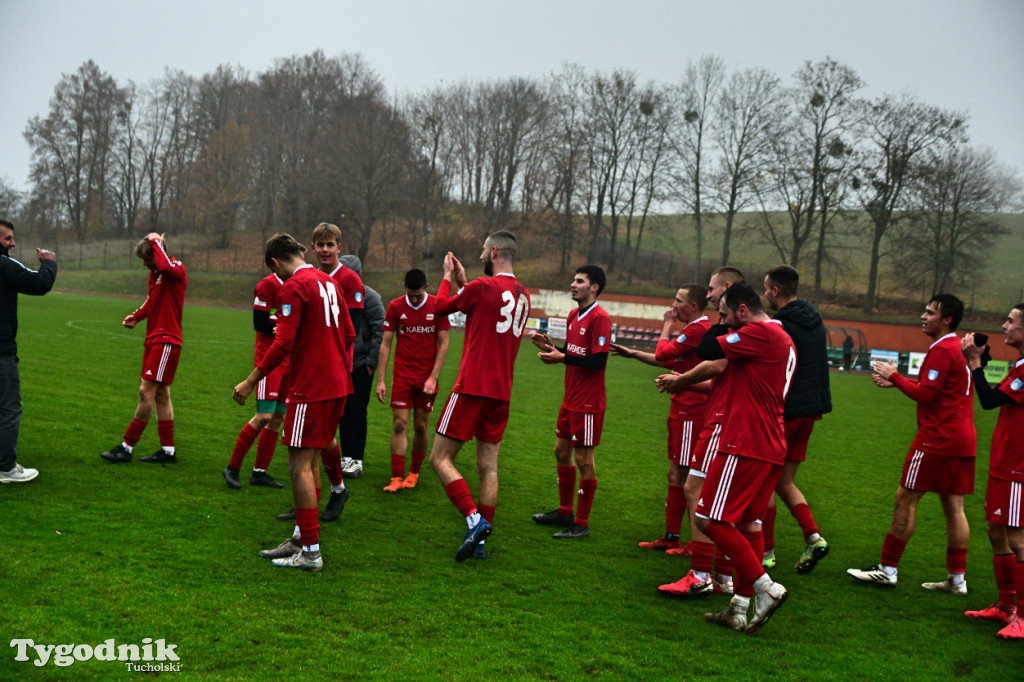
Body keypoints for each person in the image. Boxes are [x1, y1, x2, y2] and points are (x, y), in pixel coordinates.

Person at [658, 282, 794, 632]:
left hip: (746, 442)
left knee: (707, 517)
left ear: (743, 312)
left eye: (726, 314)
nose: (723, 321)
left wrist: (721, 324)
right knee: (750, 524)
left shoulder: (761, 334)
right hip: (771, 443)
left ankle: (767, 589)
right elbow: (722, 374)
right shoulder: (781, 339)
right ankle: (738, 606)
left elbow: (706, 348)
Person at [233, 233, 355, 572]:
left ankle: (311, 552)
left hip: (311, 387)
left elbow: (283, 343)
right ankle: (302, 537)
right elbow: (348, 335)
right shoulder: (329, 283)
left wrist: (250, 380)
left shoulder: (293, 287)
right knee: (312, 460)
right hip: (336, 384)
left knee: (298, 465)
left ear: (275, 262)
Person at [849, 294, 976, 593]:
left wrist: (893, 374)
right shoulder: (956, 348)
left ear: (947, 320)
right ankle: (957, 580)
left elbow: (927, 395)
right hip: (963, 439)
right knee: (954, 508)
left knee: (905, 498)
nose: (923, 315)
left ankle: (887, 569)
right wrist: (898, 381)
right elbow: (936, 390)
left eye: (930, 312)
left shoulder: (943, 349)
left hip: (937, 439)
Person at [430, 231, 531, 562]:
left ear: (495, 251)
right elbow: (485, 310)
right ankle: (481, 542)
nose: (479, 256)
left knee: (440, 459)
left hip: (472, 386)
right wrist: (464, 283)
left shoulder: (482, 288)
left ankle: (474, 521)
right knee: (489, 467)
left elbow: (440, 309)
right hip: (501, 392)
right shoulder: (524, 295)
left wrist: (447, 280)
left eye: (483, 251)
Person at [653, 266, 743, 598]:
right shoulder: (767, 332)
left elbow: (714, 364)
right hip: (735, 422)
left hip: (720, 421)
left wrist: (682, 379)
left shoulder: (738, 333)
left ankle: (711, 574)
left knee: (699, 489)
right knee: (736, 505)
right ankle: (723, 577)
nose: (708, 295)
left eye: (712, 290)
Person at [611, 284, 710, 552]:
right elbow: (669, 362)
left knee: (689, 477)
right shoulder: (694, 330)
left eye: (679, 301)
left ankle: (694, 543)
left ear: (693, 306)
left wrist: (666, 325)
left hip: (692, 410)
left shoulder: (698, 329)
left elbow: (664, 353)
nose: (673, 306)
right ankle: (671, 536)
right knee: (675, 472)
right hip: (681, 409)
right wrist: (632, 353)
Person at [530, 265, 611, 539]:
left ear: (594, 287)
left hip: (588, 403)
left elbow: (598, 361)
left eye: (580, 281)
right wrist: (554, 349)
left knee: (584, 460)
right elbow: (575, 352)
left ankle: (582, 522)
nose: (573, 284)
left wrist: (563, 358)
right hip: (570, 400)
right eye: (573, 280)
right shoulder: (573, 314)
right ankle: (565, 510)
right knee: (560, 451)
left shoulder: (600, 318)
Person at [761, 265, 832, 573]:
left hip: (785, 411)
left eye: (765, 288)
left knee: (764, 481)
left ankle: (765, 552)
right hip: (810, 411)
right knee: (784, 480)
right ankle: (813, 536)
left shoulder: (779, 325)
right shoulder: (815, 321)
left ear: (775, 291)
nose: (764, 294)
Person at [962, 304, 1024, 640]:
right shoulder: (1020, 365)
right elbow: (997, 396)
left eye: (1011, 322)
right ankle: (1005, 605)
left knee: (1018, 539)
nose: (1004, 325)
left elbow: (988, 400)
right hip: (1005, 463)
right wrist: (979, 363)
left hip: (1018, 467)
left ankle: (1023, 618)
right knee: (995, 531)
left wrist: (974, 364)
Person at [101, 233, 187, 464]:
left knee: (145, 392)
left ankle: (126, 447)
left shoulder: (175, 268)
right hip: (154, 339)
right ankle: (168, 451)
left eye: (147, 259)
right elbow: (152, 299)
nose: (145, 264)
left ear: (158, 253)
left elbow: (167, 267)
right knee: (161, 394)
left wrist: (157, 243)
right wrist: (137, 316)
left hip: (166, 340)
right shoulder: (156, 275)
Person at [376, 268, 450, 492]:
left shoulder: (438, 306)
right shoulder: (396, 306)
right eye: (410, 294)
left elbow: (444, 344)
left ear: (427, 287)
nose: (414, 299)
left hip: (426, 378)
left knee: (420, 426)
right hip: (402, 376)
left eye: (418, 294)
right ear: (404, 288)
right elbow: (386, 343)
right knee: (399, 425)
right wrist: (381, 380)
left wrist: (433, 378)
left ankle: (414, 473)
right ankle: (396, 477)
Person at [0, 220, 56, 484]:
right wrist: (49, 263)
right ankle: (6, 468)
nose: (12, 243)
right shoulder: (4, 264)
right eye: (7, 238)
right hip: (1, 350)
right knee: (9, 408)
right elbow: (39, 283)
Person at [222, 271, 287, 489]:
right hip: (269, 359)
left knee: (278, 417)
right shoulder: (267, 285)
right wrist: (278, 328)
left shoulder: (298, 284)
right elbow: (259, 321)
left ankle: (259, 473)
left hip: (290, 360)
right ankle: (232, 467)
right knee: (264, 416)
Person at [338, 255, 384, 482]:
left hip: (359, 365)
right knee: (341, 412)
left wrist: (370, 363)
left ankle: (356, 460)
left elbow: (380, 331)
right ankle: (344, 458)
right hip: (338, 363)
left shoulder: (370, 297)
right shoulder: (334, 294)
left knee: (357, 412)